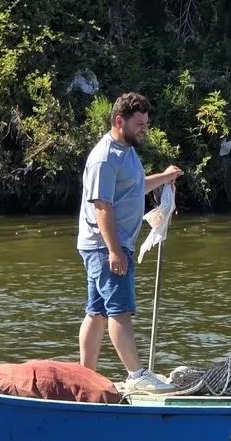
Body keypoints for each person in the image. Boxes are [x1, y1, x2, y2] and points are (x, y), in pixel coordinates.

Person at [76, 92, 182, 394]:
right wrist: (114, 251)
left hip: (110, 244)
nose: (144, 129)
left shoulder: (128, 152)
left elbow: (135, 188)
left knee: (96, 312)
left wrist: (163, 177)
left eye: (146, 124)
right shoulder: (104, 157)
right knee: (119, 310)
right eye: (139, 124)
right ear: (119, 121)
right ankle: (136, 374)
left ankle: (86, 376)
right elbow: (102, 207)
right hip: (104, 244)